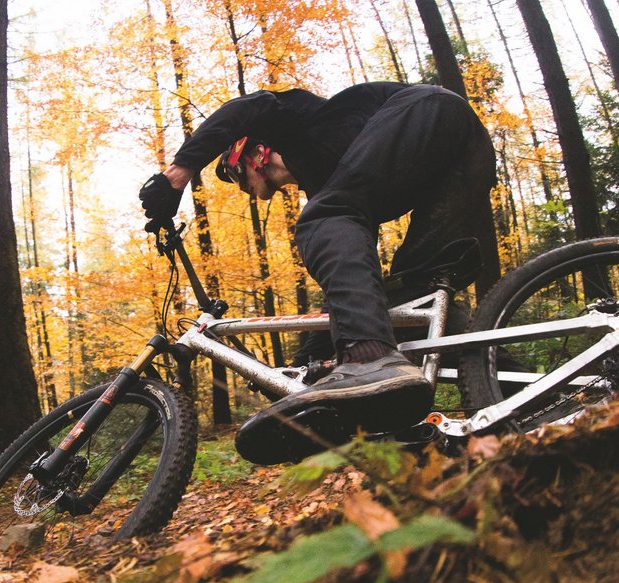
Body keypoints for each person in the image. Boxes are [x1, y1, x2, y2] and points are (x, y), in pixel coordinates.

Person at [138, 81, 497, 463]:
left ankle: (369, 358)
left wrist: (177, 174)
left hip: (427, 110)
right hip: (466, 151)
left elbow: (250, 106)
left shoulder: (299, 124)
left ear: (256, 152)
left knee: (322, 218)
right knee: (414, 297)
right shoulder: (334, 184)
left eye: (234, 172)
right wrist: (297, 369)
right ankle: (523, 402)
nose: (240, 187)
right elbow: (351, 277)